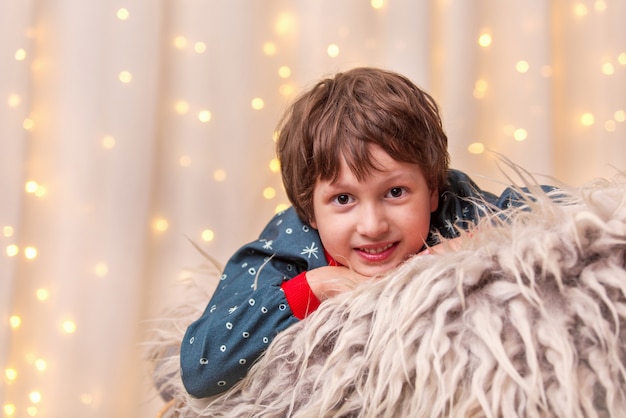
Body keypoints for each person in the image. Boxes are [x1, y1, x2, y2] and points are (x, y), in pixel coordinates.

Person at [180, 67, 536, 398]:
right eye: (343, 198)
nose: (373, 225)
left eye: (395, 192)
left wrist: (468, 242)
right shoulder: (285, 249)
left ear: (431, 190)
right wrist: (318, 284)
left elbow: (569, 214)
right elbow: (200, 369)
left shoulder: (454, 205)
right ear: (310, 211)